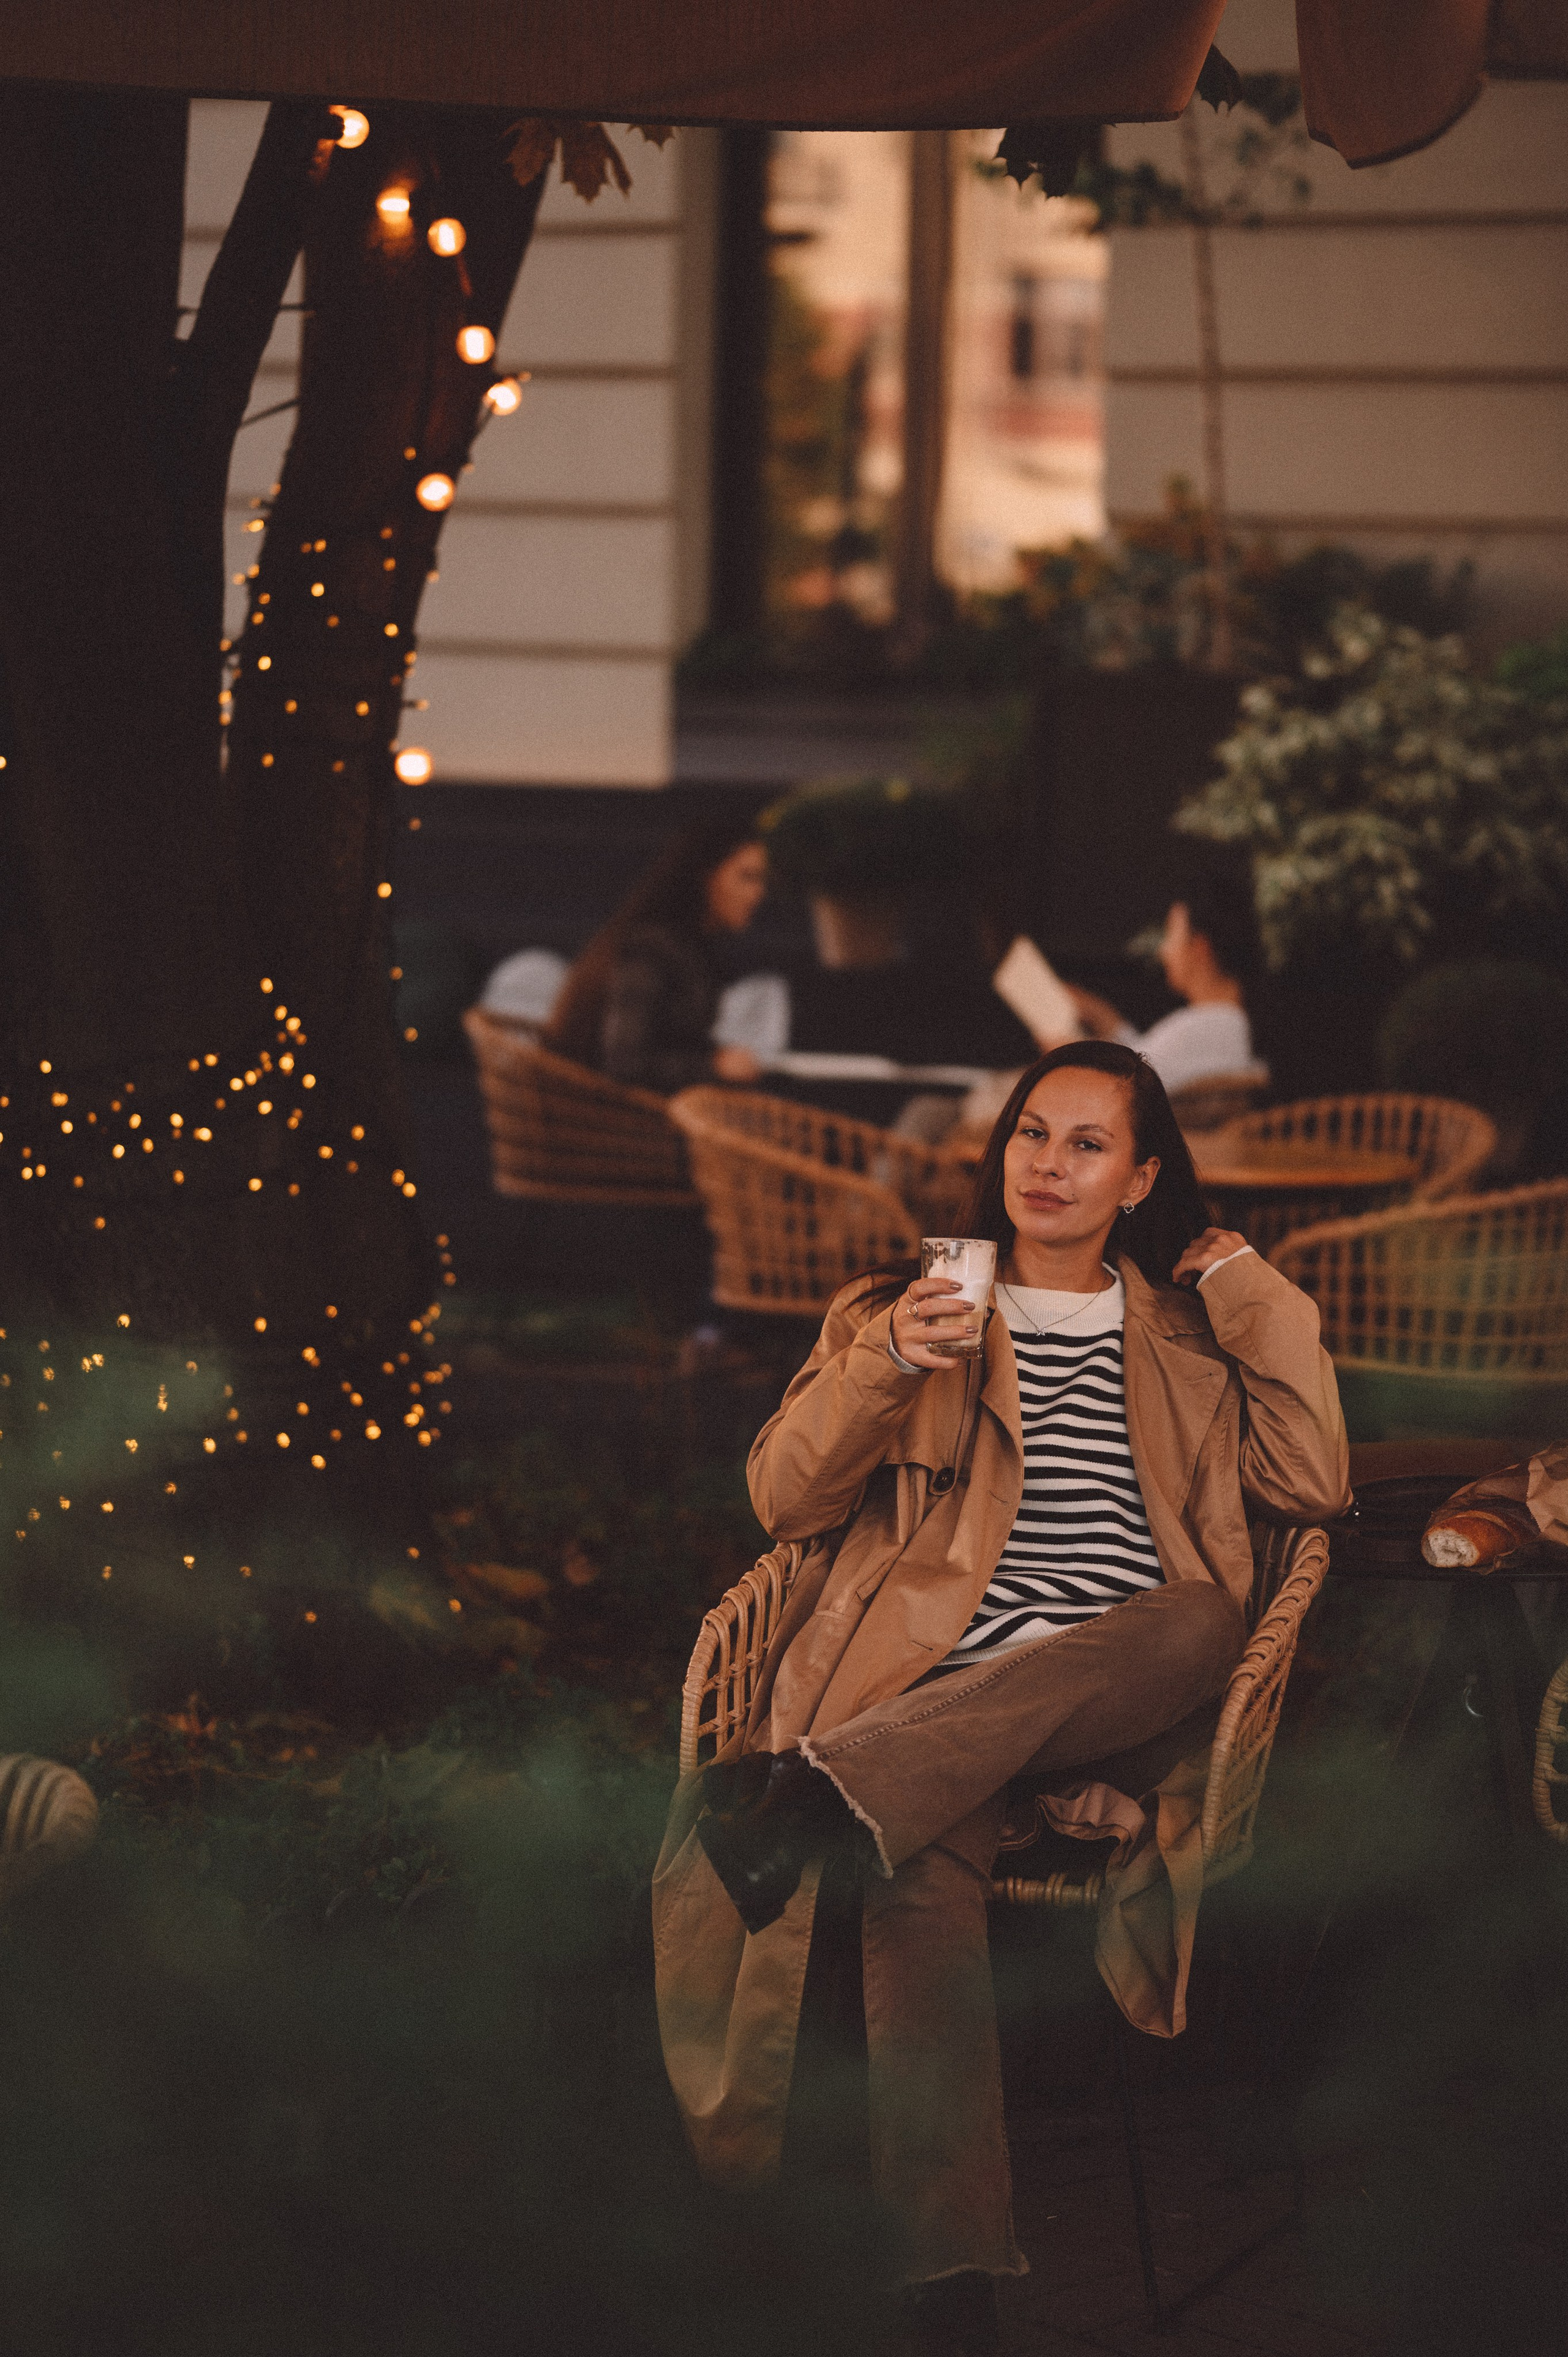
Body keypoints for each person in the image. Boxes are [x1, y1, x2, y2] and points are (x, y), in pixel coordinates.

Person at [653, 1041, 1348, 2353]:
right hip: (935, 1699)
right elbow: (781, 1501)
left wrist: (1247, 1282)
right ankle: (949, 2284)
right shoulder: (905, 1307)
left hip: (1127, 1679)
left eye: (1086, 1143)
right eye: (1032, 1131)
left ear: (1140, 1178)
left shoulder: (1193, 1339)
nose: (1046, 1162)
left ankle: (813, 1790)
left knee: (1199, 1611)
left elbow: (1311, 1480)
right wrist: (882, 1367)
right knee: (908, 1874)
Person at [545, 819, 769, 1092]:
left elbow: (673, 1041)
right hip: (606, 1119)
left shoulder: (688, 947)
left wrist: (719, 1058)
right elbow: (624, 1065)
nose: (758, 893)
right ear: (705, 876)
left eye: (762, 881)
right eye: (747, 877)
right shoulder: (650, 950)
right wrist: (713, 1067)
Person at [1069, 875, 1267, 1096]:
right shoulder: (1225, 1023)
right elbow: (1148, 1059)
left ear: (1200, 947)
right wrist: (1101, 1016)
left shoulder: (1207, 1024)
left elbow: (1127, 1087)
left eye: (1171, 935)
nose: (1163, 951)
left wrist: (1067, 1050)